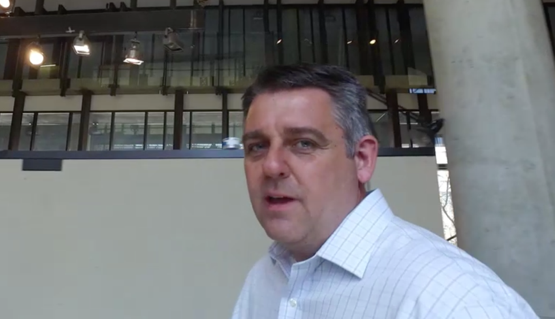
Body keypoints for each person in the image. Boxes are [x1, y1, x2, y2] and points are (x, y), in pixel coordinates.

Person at [231, 64, 538, 319]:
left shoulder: (452, 297)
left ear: (362, 159)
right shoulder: (265, 278)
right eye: (257, 147)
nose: (271, 166)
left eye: (304, 143)